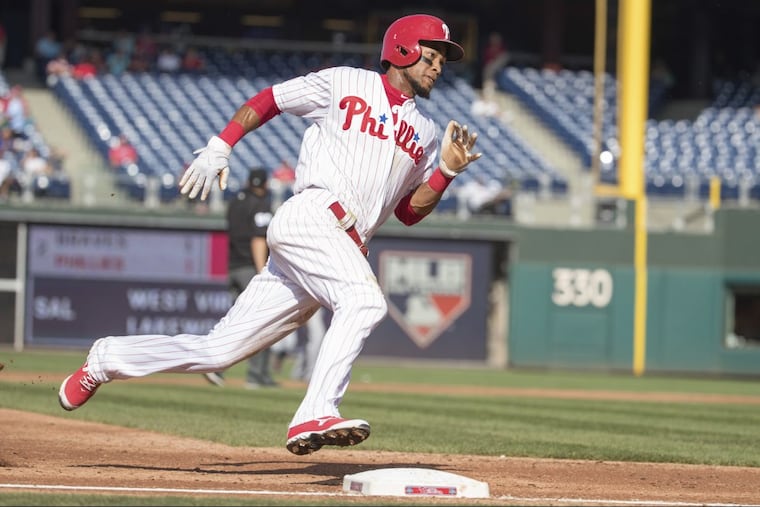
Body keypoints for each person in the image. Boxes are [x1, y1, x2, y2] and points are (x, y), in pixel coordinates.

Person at [57, 13, 481, 456]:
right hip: (314, 216)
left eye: (441, 61)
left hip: (340, 245)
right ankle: (315, 411)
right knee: (365, 301)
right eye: (430, 56)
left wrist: (447, 172)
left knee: (218, 351)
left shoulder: (427, 134)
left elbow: (408, 213)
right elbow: (272, 98)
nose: (437, 67)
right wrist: (222, 144)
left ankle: (105, 359)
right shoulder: (346, 83)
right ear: (402, 50)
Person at [202, 167, 279, 389]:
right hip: (249, 268)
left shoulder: (236, 201)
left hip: (232, 266)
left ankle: (215, 364)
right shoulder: (261, 203)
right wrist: (261, 272)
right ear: (264, 184)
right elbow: (258, 239)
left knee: (236, 321)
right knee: (261, 322)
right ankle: (256, 375)